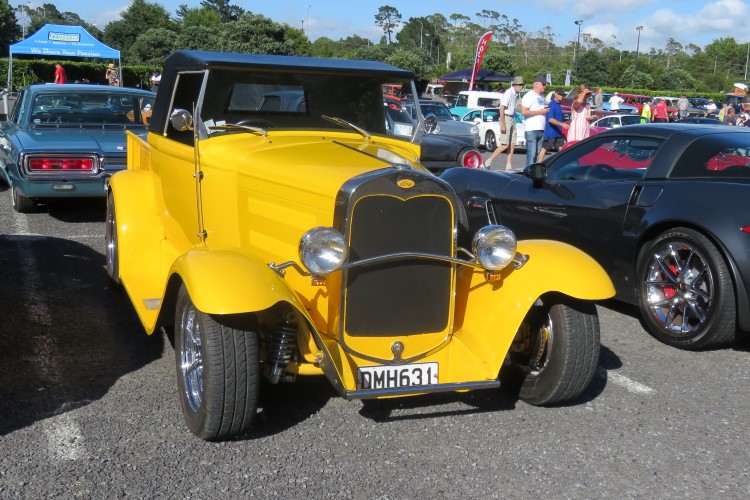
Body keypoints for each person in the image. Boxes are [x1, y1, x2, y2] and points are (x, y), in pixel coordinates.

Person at [485, 76, 524, 170]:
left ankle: (508, 165)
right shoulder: (508, 93)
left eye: (522, 85)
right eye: (519, 85)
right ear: (514, 85)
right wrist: (503, 124)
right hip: (506, 118)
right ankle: (488, 160)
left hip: (512, 118)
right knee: (505, 144)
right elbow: (501, 108)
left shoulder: (515, 94)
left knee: (512, 144)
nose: (521, 87)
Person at [520, 75, 550, 166]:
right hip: (532, 129)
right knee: (532, 154)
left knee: (536, 154)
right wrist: (541, 111)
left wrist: (544, 110)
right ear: (536, 84)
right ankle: (528, 172)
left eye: (545, 85)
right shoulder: (529, 95)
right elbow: (524, 112)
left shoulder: (540, 96)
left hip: (541, 129)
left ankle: (533, 171)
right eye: (543, 84)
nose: (545, 86)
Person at [538, 88, 569, 162]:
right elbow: (550, 119)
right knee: (545, 148)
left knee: (561, 148)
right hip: (551, 132)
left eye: (562, 95)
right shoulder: (552, 104)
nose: (561, 96)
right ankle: (539, 164)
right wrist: (562, 124)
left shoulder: (558, 104)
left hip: (558, 132)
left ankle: (562, 165)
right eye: (560, 94)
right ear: (555, 94)